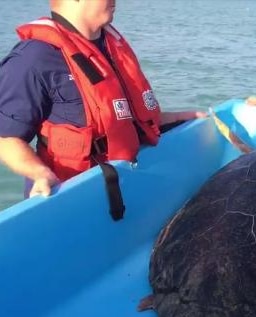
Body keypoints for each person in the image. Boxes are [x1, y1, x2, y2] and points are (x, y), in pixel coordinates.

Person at [0, 0, 206, 200]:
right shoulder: (33, 59)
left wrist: (182, 118)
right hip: (72, 197)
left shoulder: (112, 46)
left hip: (126, 182)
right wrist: (38, 172)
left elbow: (125, 118)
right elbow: (6, 138)